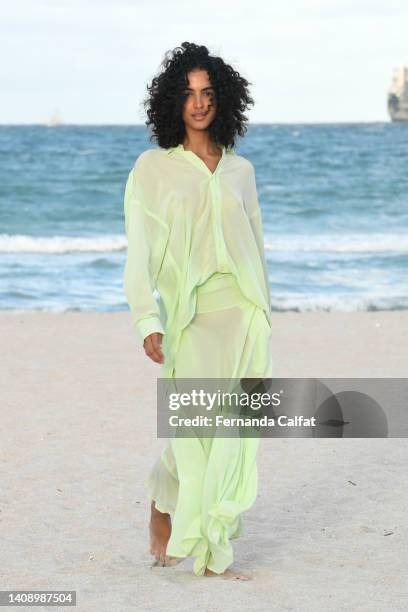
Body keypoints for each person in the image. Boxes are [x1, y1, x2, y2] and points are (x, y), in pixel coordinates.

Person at [123, 42, 273, 580]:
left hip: (241, 316)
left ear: (223, 100)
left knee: (231, 432)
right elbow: (138, 253)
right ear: (172, 102)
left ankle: (211, 550)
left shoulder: (241, 171)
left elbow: (256, 246)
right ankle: (163, 508)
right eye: (188, 94)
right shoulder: (153, 170)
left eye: (208, 93)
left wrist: (266, 314)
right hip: (191, 321)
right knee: (192, 429)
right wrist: (148, 320)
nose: (199, 103)